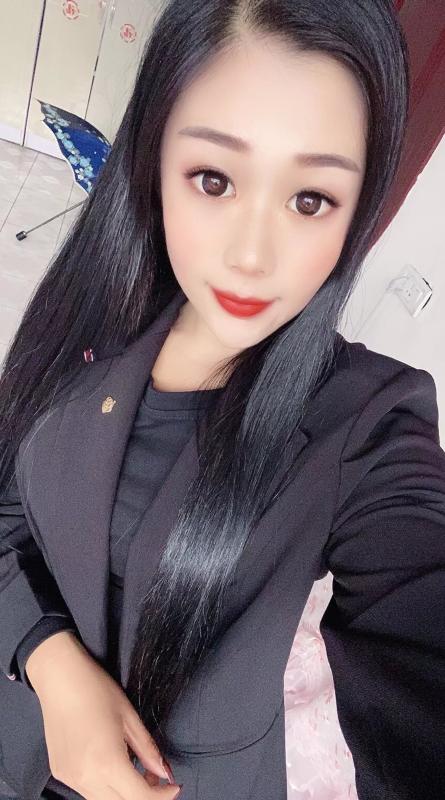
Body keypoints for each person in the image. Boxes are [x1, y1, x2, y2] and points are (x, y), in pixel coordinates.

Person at [1, 1, 444, 798]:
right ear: (155, 158)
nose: (250, 255)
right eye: (214, 180)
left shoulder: (368, 424)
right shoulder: (90, 313)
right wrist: (46, 658)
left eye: (309, 200)